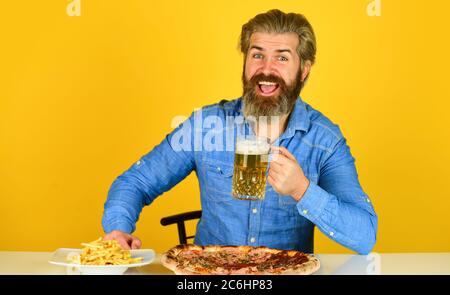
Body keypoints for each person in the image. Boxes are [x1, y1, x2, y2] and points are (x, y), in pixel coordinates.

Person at [102, 9, 378, 254]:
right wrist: (118, 228)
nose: (266, 69)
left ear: (304, 70)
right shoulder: (205, 126)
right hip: (210, 277)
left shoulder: (324, 141)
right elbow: (135, 182)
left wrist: (302, 190)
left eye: (282, 58)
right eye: (257, 55)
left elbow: (364, 237)